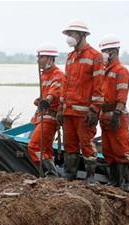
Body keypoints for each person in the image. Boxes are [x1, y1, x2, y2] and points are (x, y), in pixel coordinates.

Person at [58, 19, 104, 183]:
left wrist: (94, 109)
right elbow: (65, 83)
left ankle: (90, 177)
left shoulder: (95, 56)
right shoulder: (70, 57)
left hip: (84, 112)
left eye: (71, 34)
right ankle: (69, 175)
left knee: (86, 144)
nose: (69, 37)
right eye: (68, 34)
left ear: (82, 35)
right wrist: (60, 107)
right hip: (69, 110)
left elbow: (99, 84)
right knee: (69, 144)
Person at [98, 34, 129, 191]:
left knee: (121, 149)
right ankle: (114, 182)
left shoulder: (121, 71)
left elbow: (122, 95)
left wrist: (117, 114)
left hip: (116, 114)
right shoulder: (104, 72)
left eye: (105, 51)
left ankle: (128, 184)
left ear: (113, 52)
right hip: (104, 115)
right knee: (108, 150)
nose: (103, 55)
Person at [28, 42, 65, 176]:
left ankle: (50, 172)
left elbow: (53, 92)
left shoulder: (58, 75)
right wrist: (40, 100)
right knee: (46, 149)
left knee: (34, 146)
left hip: (50, 118)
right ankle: (50, 174)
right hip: (42, 116)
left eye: (41, 58)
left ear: (50, 58)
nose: (38, 61)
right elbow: (46, 94)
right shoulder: (44, 75)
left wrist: (47, 100)